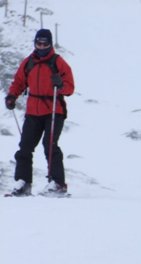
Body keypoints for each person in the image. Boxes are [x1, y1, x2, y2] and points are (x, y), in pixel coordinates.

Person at [4, 28, 75, 197]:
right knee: (25, 146)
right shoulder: (29, 62)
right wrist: (12, 96)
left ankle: (57, 183)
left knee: (49, 145)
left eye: (45, 43)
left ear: (50, 44)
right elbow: (19, 81)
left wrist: (60, 85)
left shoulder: (58, 62)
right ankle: (23, 182)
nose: (41, 46)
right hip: (33, 111)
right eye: (38, 43)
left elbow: (70, 87)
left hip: (53, 110)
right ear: (35, 43)